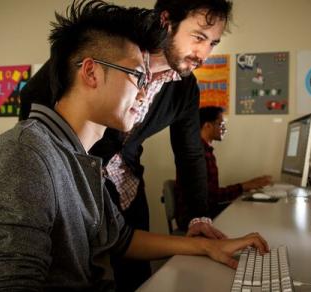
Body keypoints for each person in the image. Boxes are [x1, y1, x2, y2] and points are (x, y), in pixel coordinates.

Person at [0, 1, 268, 291]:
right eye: (138, 78)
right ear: (90, 72)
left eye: (147, 80)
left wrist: (203, 239)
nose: (145, 96)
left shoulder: (82, 168)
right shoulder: (22, 159)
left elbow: (122, 237)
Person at [19, 1, 234, 290]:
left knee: (135, 274)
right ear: (166, 21)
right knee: (67, 264)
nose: (204, 54)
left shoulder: (183, 87)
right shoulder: (113, 50)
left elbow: (189, 152)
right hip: (77, 177)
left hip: (127, 185)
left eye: (212, 43)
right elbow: (35, 99)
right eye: (198, 37)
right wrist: (42, 165)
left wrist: (199, 217)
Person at [175, 106, 272, 220]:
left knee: (249, 209)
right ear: (207, 125)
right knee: (251, 213)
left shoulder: (205, 151)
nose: (224, 129)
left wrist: (246, 185)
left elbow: (210, 194)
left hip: (205, 210)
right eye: (221, 124)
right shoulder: (198, 154)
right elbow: (210, 195)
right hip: (195, 218)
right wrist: (244, 186)